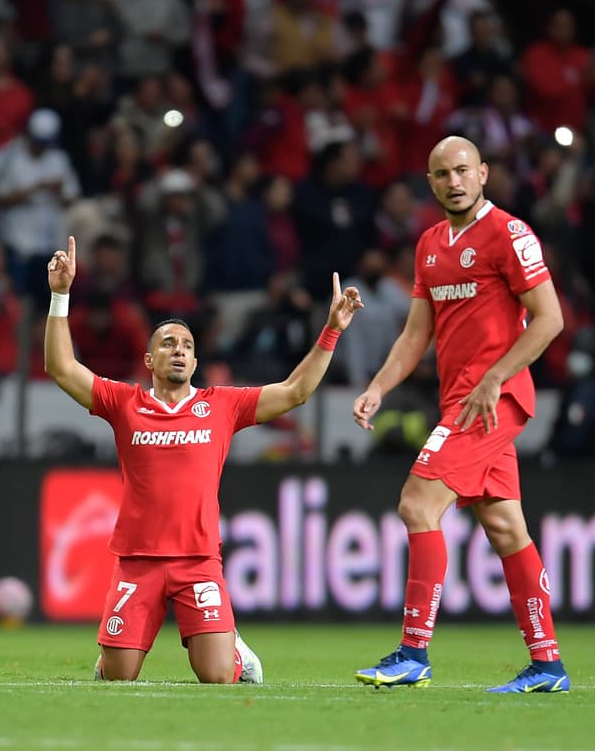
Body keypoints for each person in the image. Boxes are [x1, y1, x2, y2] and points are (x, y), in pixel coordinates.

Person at [44, 235, 363, 684]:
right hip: (138, 559)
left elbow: (296, 391)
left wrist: (332, 329)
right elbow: (61, 368)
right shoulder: (124, 402)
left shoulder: (221, 405)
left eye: (188, 346)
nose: (179, 350)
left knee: (216, 677)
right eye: (169, 343)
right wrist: (61, 295)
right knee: (117, 679)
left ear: (195, 362)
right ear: (149, 358)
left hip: (198, 560)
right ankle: (112, 656)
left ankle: (233, 649)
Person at [351, 135, 570, 693]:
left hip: (494, 397)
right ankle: (547, 665)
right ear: (431, 182)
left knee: (417, 502)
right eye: (442, 173)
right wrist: (378, 385)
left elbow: (549, 319)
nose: (454, 180)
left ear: (484, 174)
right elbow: (416, 333)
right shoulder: (429, 245)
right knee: (504, 526)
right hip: (462, 399)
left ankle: (413, 652)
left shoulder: (510, 234)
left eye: (463, 170)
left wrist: (497, 375)